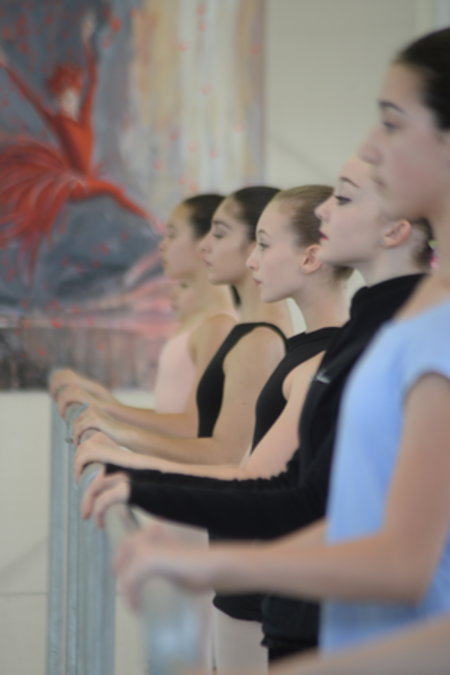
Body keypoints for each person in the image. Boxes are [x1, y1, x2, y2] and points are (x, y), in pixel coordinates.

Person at [113, 26, 450, 658]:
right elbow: (323, 503)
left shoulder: (407, 331)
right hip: (321, 624)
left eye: (392, 124)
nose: (372, 146)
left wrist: (140, 483)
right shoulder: (394, 325)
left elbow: (403, 561)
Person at [79, 183, 349, 671]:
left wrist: (131, 471)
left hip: (263, 576)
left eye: (262, 245)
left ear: (311, 257)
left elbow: (247, 470)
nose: (252, 260)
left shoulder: (315, 358)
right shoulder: (301, 350)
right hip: (245, 566)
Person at [50, 192, 236, 437]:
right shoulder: (201, 320)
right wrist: (100, 399)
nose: (162, 245)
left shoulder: (219, 325)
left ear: (206, 242)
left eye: (172, 235)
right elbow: (171, 416)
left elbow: (193, 429)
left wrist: (106, 411)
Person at [0, 12, 151, 276]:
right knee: (113, 192)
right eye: (63, 96)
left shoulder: (83, 116)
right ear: (58, 96)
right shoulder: (55, 119)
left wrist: (87, 43)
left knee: (114, 191)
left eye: (71, 96)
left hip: (85, 177)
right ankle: (152, 223)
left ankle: (149, 224)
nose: (67, 101)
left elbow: (93, 82)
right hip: (73, 182)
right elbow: (29, 96)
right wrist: (6, 66)